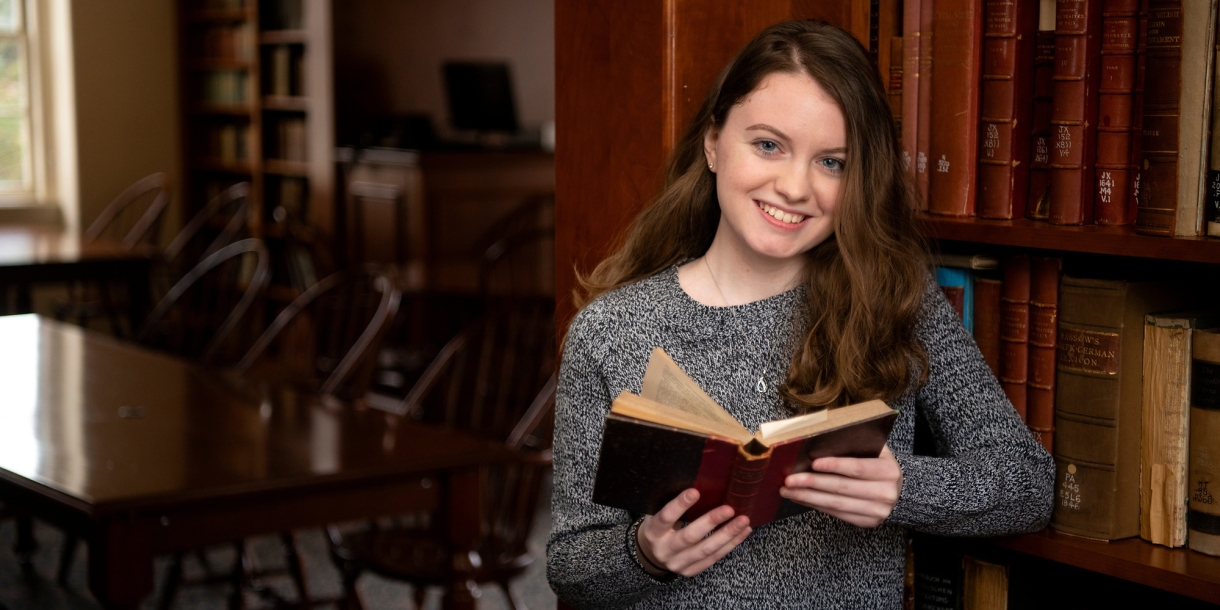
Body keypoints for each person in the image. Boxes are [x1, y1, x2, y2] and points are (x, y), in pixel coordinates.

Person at [547, 19, 1054, 609]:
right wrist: (646, 552)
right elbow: (569, 565)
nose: (794, 187)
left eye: (832, 163)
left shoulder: (895, 299)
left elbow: (1028, 486)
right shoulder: (611, 331)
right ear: (713, 142)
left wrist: (905, 487)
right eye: (768, 145)